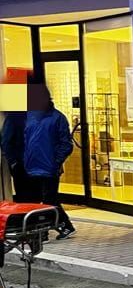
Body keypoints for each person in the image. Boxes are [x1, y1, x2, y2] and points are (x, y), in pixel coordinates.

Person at [24, 82, 75, 239]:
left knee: (49, 200)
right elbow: (25, 139)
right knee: (43, 201)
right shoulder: (29, 116)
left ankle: (45, 231)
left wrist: (56, 161)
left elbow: (66, 144)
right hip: (31, 166)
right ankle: (63, 226)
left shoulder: (57, 118)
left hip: (49, 167)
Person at [1, 111, 34, 202]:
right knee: (24, 196)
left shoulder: (33, 116)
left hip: (30, 163)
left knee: (32, 196)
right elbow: (6, 142)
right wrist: (13, 162)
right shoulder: (14, 117)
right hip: (21, 163)